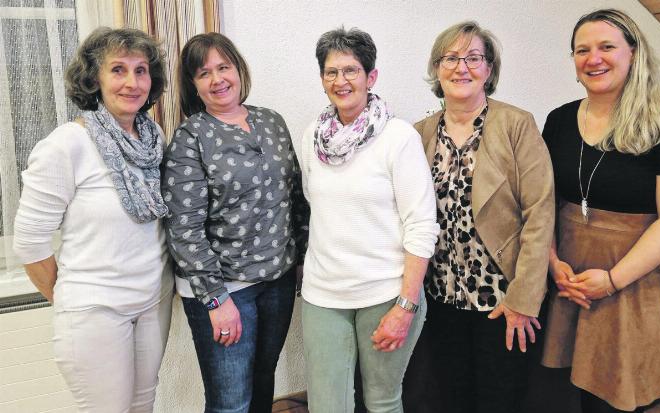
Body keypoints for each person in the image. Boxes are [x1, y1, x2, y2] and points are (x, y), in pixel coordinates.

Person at [541, 9, 660, 413]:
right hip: (572, 274)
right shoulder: (560, 120)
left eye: (606, 47)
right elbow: (544, 200)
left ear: (633, 54)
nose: (593, 58)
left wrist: (613, 280)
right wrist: (551, 262)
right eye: (582, 50)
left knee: (624, 397)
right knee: (576, 393)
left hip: (638, 277)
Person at [13, 27, 172, 412]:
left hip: (152, 303)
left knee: (143, 405)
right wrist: (73, 299)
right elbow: (29, 243)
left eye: (141, 70)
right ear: (94, 79)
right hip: (95, 311)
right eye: (118, 69)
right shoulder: (66, 145)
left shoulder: (153, 139)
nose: (132, 82)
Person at [404, 21, 556, 413]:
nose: (461, 68)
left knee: (499, 398)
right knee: (450, 395)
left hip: (501, 299)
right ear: (437, 69)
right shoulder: (419, 134)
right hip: (440, 297)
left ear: (489, 68)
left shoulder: (515, 124)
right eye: (450, 58)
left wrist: (524, 299)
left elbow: (540, 213)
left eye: (473, 58)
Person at [162, 32, 308, 413]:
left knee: (263, 384)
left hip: (277, 280)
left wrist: (304, 258)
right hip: (226, 291)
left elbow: (294, 198)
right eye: (204, 73)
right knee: (231, 402)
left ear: (238, 69)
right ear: (193, 85)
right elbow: (184, 228)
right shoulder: (190, 137)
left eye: (223, 67)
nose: (217, 79)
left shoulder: (271, 122)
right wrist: (216, 299)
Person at [296, 27, 439, 413]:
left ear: (370, 77)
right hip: (323, 294)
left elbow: (422, 225)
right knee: (328, 405)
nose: (340, 81)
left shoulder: (398, 137)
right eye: (331, 72)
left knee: (382, 401)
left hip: (386, 295)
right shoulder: (312, 136)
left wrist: (405, 306)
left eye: (351, 70)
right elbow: (315, 204)